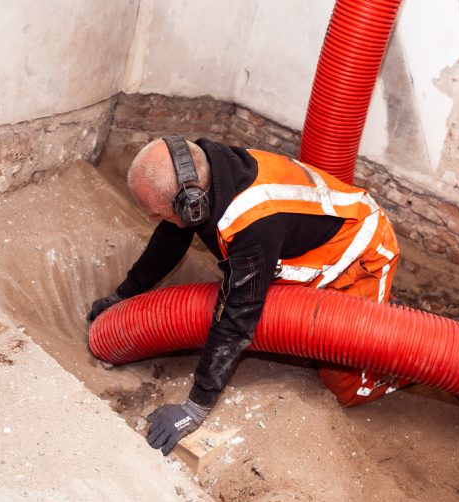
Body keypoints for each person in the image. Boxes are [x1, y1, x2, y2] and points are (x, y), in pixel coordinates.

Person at [87, 135, 403, 456]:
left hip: (356, 253)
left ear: (191, 203)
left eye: (156, 212)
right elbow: (170, 239)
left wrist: (195, 408)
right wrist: (123, 294)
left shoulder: (253, 224)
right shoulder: (203, 174)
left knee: (343, 381)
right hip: (293, 247)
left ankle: (402, 349)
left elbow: (238, 316)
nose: (154, 218)